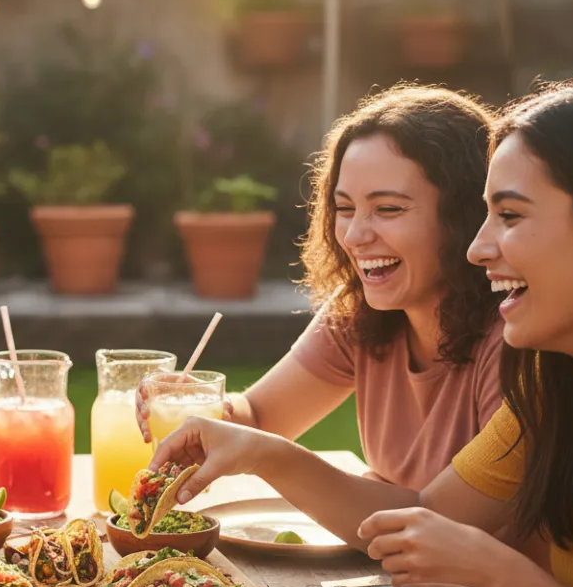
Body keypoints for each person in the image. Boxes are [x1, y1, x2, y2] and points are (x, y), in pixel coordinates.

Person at [148, 76, 573, 587]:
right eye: (485, 216)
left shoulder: (530, 372)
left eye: (509, 216)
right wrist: (255, 446)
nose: (480, 247)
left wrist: (502, 574)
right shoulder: (555, 394)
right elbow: (423, 523)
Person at [137, 84, 503, 490]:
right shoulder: (360, 314)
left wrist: (270, 457)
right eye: (344, 209)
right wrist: (205, 411)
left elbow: (439, 522)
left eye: (388, 209)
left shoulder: (510, 340)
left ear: (467, 216)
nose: (355, 235)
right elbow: (258, 416)